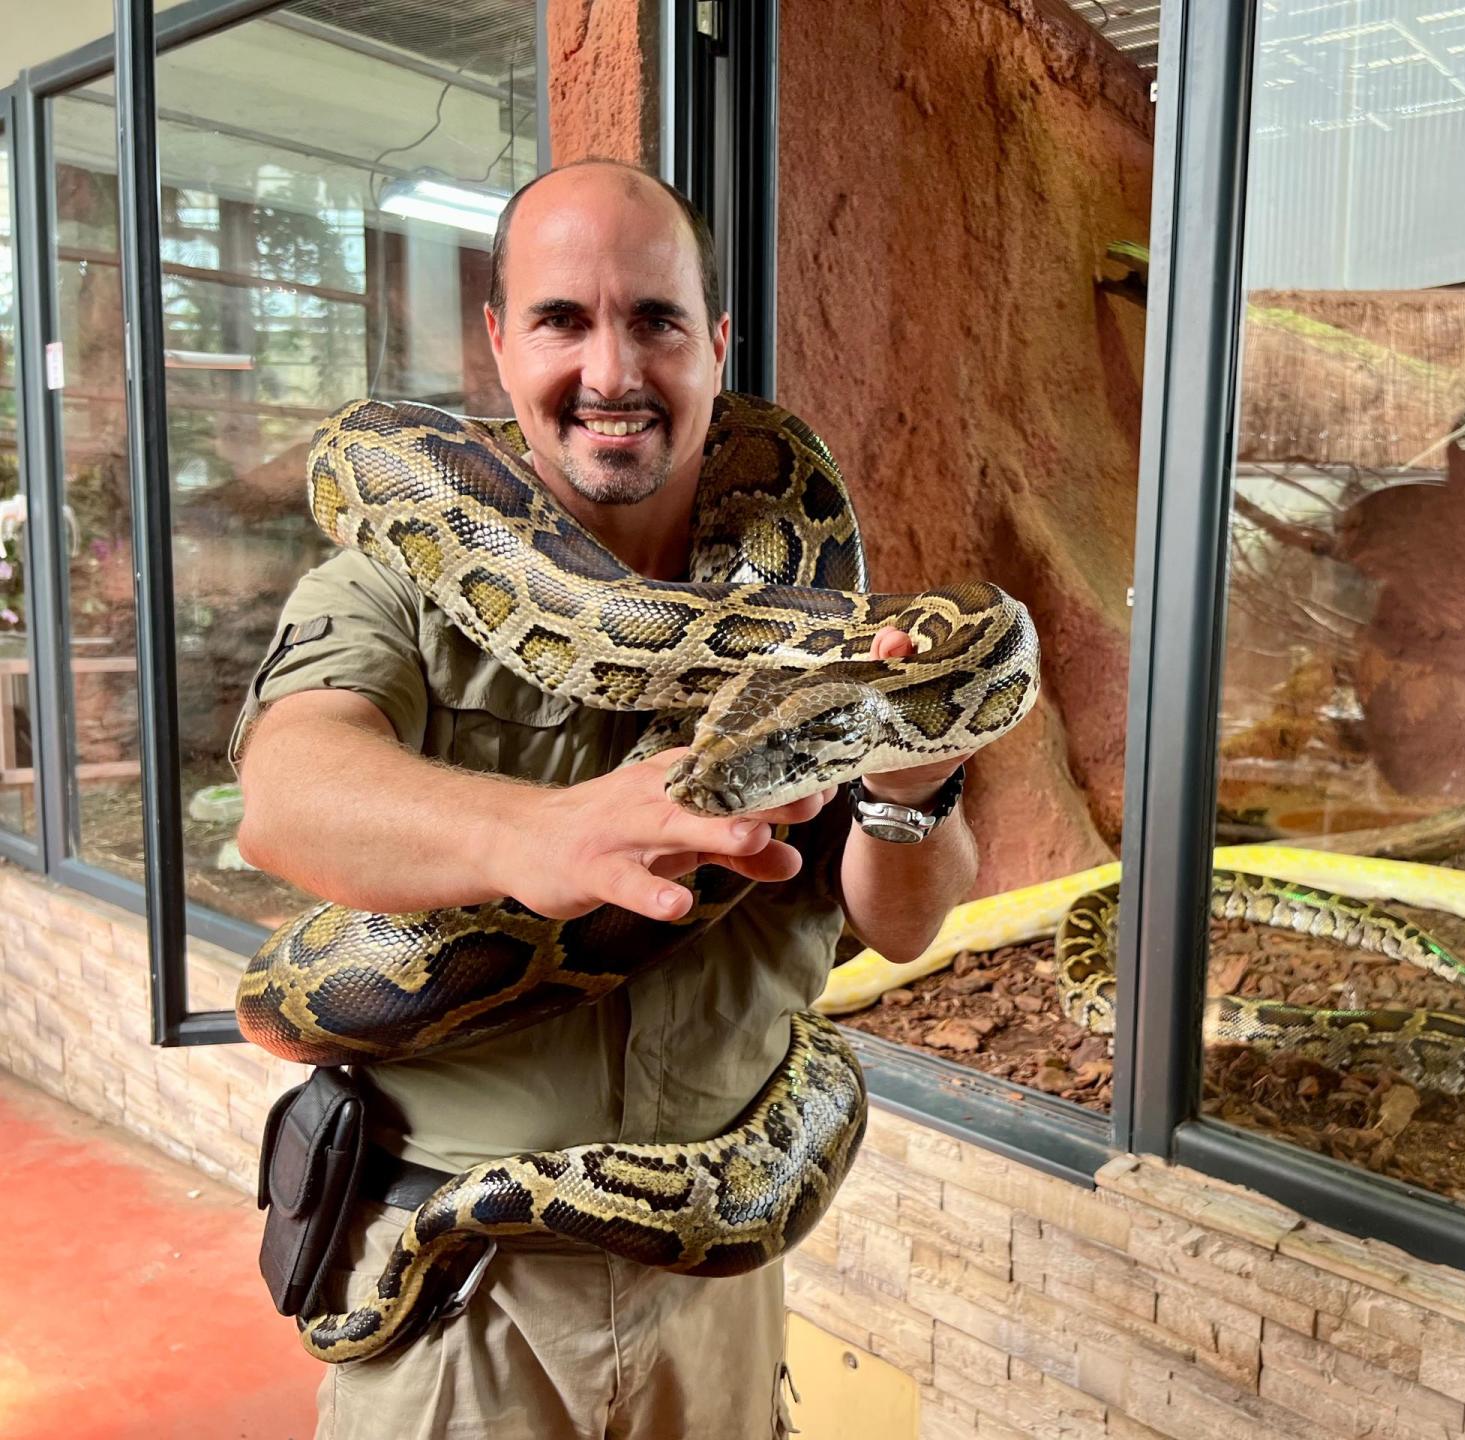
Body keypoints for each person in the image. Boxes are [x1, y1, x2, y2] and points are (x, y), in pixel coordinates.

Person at [231, 158, 982, 1440]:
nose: (613, 371)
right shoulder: (395, 577)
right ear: (498, 342)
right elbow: (289, 795)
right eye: (562, 320)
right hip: (459, 1307)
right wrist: (539, 832)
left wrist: (909, 791)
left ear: (716, 344)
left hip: (713, 1290)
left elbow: (905, 922)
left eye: (655, 320)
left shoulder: (836, 632)